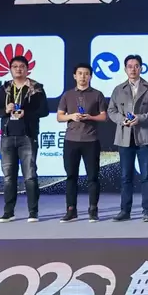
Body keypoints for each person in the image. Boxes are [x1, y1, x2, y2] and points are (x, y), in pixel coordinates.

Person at [0, 55, 49, 223]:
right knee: (9, 177)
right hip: (7, 137)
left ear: (27, 69)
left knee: (30, 176)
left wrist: (27, 113)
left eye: (22, 66)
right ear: (10, 69)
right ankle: (8, 212)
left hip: (27, 137)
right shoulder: (5, 88)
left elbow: (44, 111)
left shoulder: (36, 88)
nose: (18, 69)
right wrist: (5, 110)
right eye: (15, 66)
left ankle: (33, 212)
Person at [108, 55, 148, 223]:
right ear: (125, 69)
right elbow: (111, 110)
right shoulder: (118, 89)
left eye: (136, 66)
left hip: (144, 137)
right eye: (130, 66)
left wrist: (141, 118)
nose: (133, 69)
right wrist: (122, 120)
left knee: (146, 176)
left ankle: (147, 211)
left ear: (141, 68)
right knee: (126, 177)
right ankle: (125, 211)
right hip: (125, 137)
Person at [56, 63, 108, 222]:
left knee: (93, 177)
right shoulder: (67, 95)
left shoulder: (97, 94)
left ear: (90, 76)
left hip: (91, 141)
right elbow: (59, 117)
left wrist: (90, 117)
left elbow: (104, 116)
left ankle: (93, 209)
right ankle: (71, 209)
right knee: (71, 176)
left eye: (86, 74)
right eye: (80, 73)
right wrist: (71, 116)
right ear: (74, 76)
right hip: (71, 140)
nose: (83, 76)